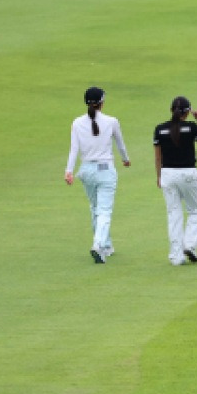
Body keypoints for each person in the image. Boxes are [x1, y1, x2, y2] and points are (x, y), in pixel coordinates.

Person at [64, 86, 130, 264]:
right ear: (101, 102)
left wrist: (68, 171)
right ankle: (99, 245)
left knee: (95, 209)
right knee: (104, 211)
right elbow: (120, 144)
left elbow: (74, 149)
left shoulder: (77, 122)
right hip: (105, 170)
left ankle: (106, 245)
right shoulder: (111, 121)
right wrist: (125, 159)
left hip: (86, 171)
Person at [153, 96, 197, 266]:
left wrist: (159, 177)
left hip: (167, 174)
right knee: (195, 210)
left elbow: (158, 158)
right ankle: (190, 245)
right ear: (187, 112)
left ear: (172, 110)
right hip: (188, 173)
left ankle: (176, 256)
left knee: (174, 214)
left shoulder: (160, 129)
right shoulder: (191, 127)